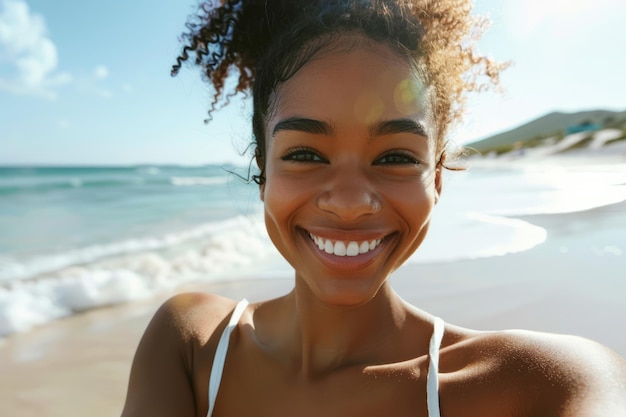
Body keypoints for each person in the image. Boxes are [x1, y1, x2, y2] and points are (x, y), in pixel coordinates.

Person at [121, 1, 626, 416]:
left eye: (395, 157)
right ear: (263, 172)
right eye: (304, 154)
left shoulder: (547, 385)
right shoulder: (193, 345)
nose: (349, 202)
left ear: (438, 177)